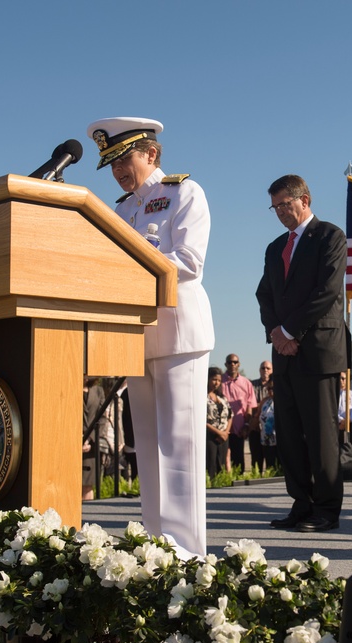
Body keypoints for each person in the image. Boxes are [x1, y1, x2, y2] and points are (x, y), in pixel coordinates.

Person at [87, 116, 214, 558]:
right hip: (134, 337)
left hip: (179, 333)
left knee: (180, 449)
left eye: (125, 159)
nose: (119, 170)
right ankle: (158, 549)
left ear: (152, 154)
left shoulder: (184, 193)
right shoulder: (120, 210)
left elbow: (188, 261)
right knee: (148, 449)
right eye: (112, 163)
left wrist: (128, 270)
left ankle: (188, 557)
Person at [256, 174, 348, 533]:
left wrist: (291, 331)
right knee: (290, 433)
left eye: (286, 204)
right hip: (284, 352)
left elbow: (326, 291)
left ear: (304, 199)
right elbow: (265, 294)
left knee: (322, 433)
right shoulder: (275, 247)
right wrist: (277, 334)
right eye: (275, 207)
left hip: (318, 350)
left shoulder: (330, 236)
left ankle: (327, 509)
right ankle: (301, 502)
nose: (280, 212)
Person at [221, 354, 257, 474]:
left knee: (238, 459)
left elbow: (250, 406)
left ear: (239, 364)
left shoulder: (246, 383)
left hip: (239, 429)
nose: (232, 364)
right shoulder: (219, 381)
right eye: (230, 362)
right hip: (221, 429)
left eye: (235, 362)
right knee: (221, 459)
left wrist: (247, 425)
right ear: (225, 364)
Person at [205, 367, 232, 479]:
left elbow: (230, 415)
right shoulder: (202, 397)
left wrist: (225, 433)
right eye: (214, 379)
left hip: (224, 436)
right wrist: (218, 432)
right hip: (210, 435)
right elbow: (202, 420)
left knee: (221, 462)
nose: (216, 383)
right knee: (211, 463)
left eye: (219, 380)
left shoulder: (222, 397)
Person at [82, 377, 105, 500]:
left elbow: (102, 419)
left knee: (87, 486)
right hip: (70, 443)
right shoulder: (69, 385)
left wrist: (89, 439)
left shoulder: (98, 391)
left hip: (90, 445)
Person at [248, 361, 272, 473]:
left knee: (271, 458)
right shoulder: (251, 385)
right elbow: (249, 404)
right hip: (255, 425)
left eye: (268, 368)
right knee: (256, 458)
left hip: (270, 429)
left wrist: (258, 405)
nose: (265, 370)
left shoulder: (276, 385)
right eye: (263, 368)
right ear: (259, 370)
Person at [257, 379, 278, 470]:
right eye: (269, 388)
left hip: (281, 442)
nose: (270, 390)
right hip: (267, 441)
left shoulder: (285, 401)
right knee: (270, 467)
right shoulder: (264, 402)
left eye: (273, 388)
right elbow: (257, 416)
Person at [337, 370, 352, 446]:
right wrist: (341, 421)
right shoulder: (333, 394)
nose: (341, 381)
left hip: (350, 424)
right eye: (339, 378)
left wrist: (347, 421)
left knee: (349, 447)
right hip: (338, 425)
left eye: (343, 378)